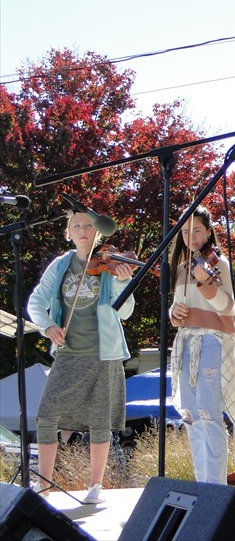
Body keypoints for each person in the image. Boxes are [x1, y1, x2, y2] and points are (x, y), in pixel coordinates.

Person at [27, 211, 136, 504]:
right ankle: (44, 484)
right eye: (76, 225)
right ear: (68, 233)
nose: (83, 229)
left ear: (97, 231)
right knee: (47, 414)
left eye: (88, 224)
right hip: (68, 353)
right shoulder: (61, 265)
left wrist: (124, 284)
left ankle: (95, 487)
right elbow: (36, 300)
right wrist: (48, 325)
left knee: (99, 420)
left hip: (105, 353)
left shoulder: (110, 264)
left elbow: (124, 312)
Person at [169, 206, 235, 485]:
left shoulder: (218, 265)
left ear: (209, 231)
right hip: (186, 341)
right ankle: (203, 484)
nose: (191, 236)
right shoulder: (180, 268)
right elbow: (177, 308)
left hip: (212, 341)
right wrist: (173, 314)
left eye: (197, 229)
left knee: (209, 414)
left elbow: (226, 306)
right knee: (191, 416)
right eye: (185, 231)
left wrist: (205, 281)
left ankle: (216, 486)